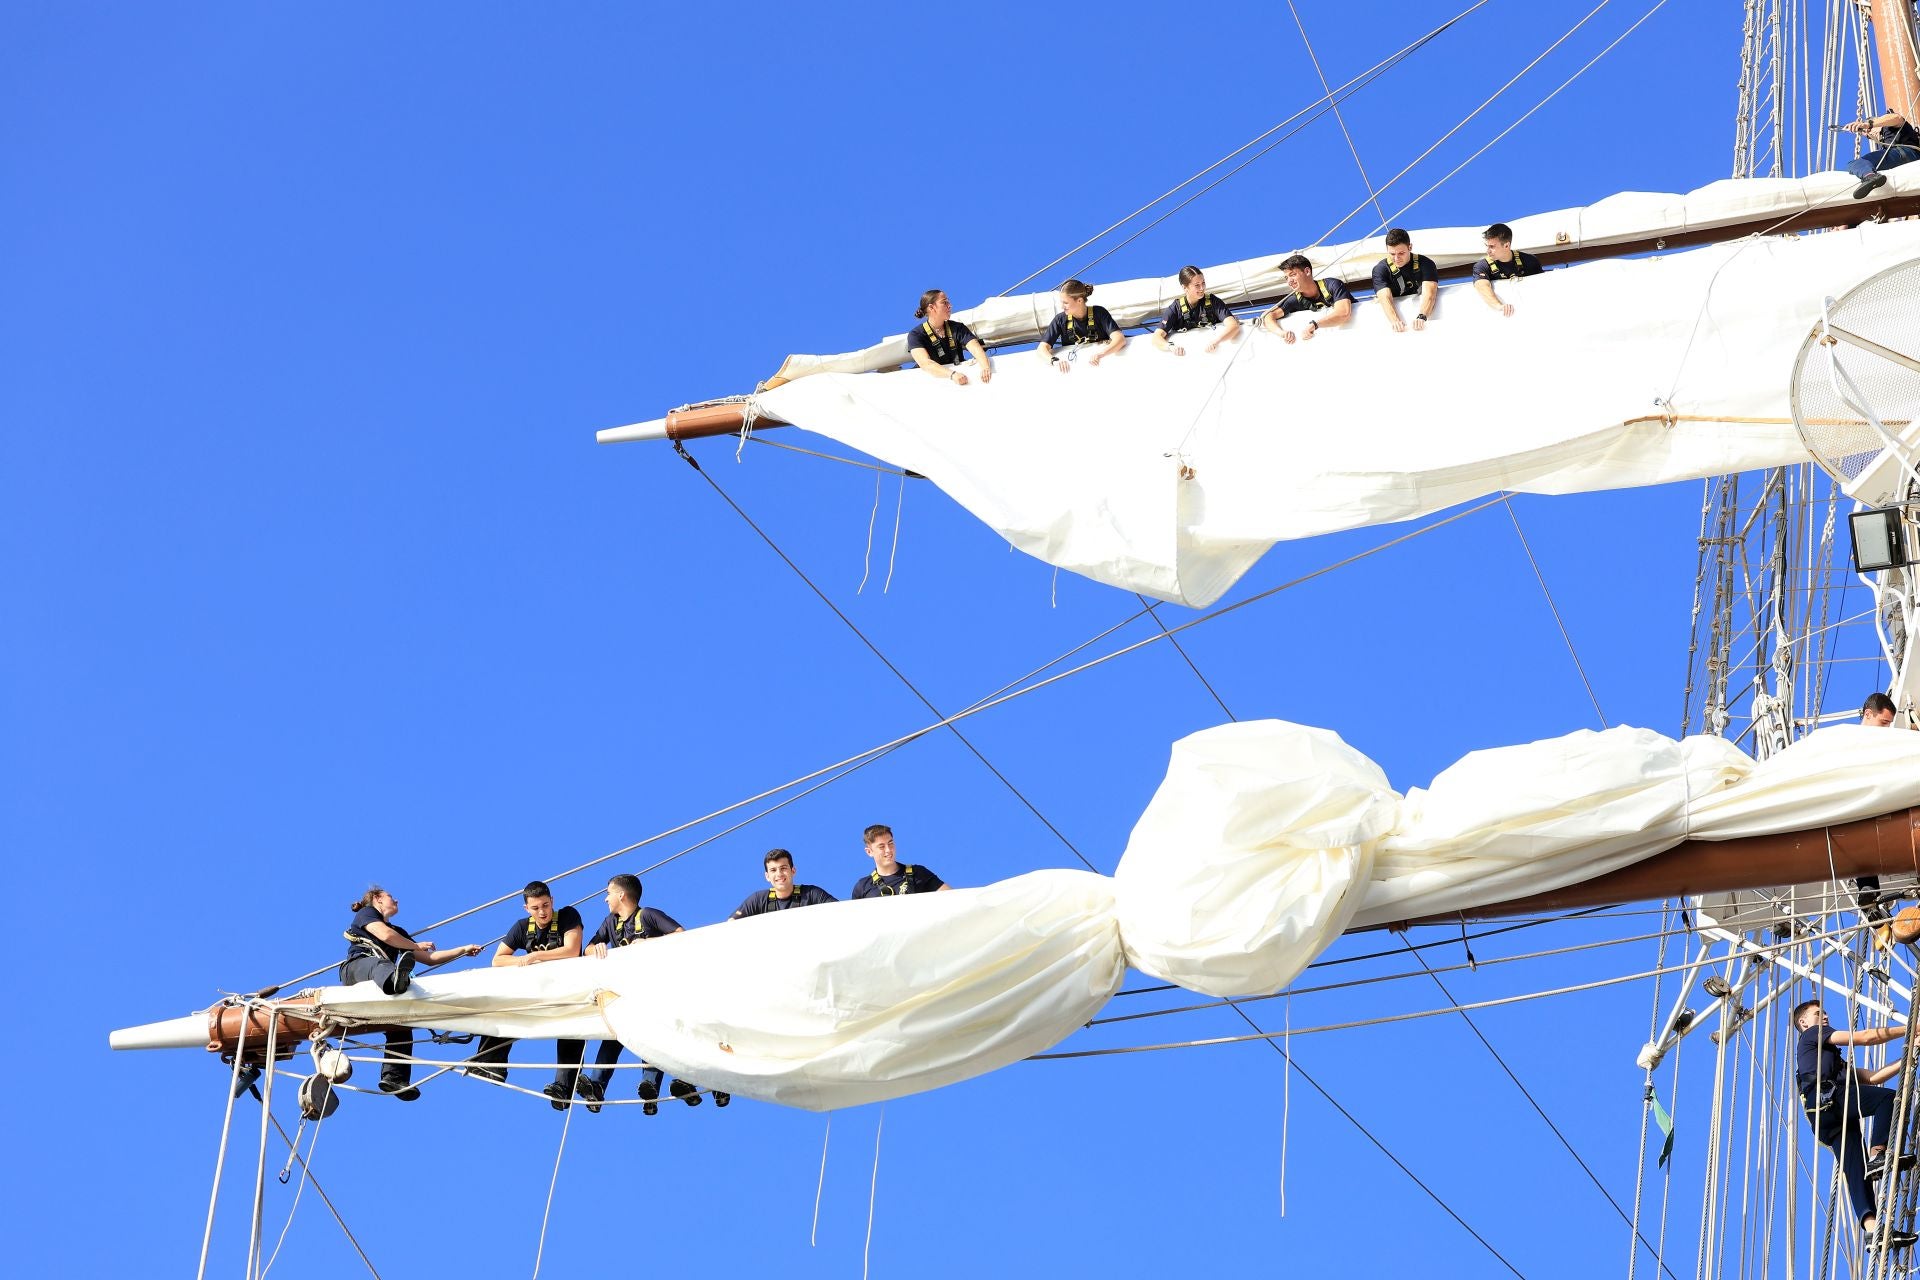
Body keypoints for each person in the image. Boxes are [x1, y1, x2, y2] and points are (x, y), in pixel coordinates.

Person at [582, 874, 725, 1111]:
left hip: (655, 991)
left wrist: (648, 944)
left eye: (608, 893)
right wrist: (594, 948)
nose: (605, 899)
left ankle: (651, 1085)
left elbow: (681, 935)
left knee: (652, 1035)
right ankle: (597, 1086)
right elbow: (587, 948)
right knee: (613, 1034)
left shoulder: (648, 915)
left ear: (621, 895)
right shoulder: (610, 922)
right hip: (625, 993)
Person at [339, 885, 484, 1101]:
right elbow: (385, 935)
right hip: (357, 968)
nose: (395, 899)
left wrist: (462, 950)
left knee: (401, 1024)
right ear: (377, 899)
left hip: (383, 980)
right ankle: (396, 980)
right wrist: (414, 946)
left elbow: (429, 958)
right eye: (390, 896)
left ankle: (394, 1078)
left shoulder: (401, 933)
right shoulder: (367, 914)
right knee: (380, 965)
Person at [1792, 1001, 1917, 1248]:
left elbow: (1873, 1077)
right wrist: (1911, 1028)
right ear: (1804, 1022)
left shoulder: (1832, 1063)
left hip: (1825, 1119)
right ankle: (1879, 1153)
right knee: (1888, 1099)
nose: (1825, 1016)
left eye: (1826, 1013)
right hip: (1830, 1100)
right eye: (1818, 1013)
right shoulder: (1812, 1035)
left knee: (1856, 1170)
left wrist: (1911, 1051)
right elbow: (1866, 1037)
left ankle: (1873, 1230)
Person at [467, 881, 587, 1111]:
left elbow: (572, 950)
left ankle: (563, 1087)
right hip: (538, 992)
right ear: (526, 909)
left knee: (571, 1031)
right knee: (504, 1010)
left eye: (545, 905)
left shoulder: (568, 916)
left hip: (569, 990)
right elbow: (498, 960)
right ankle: (492, 1064)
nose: (542, 912)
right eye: (535, 908)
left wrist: (534, 958)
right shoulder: (522, 927)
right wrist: (521, 960)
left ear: (552, 901)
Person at [1258, 255, 1352, 344]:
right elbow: (1267, 316)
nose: (1289, 281)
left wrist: (1315, 325)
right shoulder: (1294, 299)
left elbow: (1343, 313)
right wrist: (1282, 333)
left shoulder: (1332, 285)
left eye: (1293, 274)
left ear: (1307, 271)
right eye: (1286, 278)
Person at [906, 289, 993, 385]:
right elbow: (925, 363)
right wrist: (952, 375)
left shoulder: (958, 328)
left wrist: (985, 367)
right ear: (931, 307)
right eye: (944, 302)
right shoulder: (916, 334)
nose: (950, 305)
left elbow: (975, 347)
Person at [1036, 279, 1125, 372]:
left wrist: (1101, 354)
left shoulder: (1099, 313)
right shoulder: (1060, 320)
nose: (1062, 307)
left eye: (1065, 303)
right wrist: (1055, 361)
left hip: (1102, 368)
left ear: (1079, 300)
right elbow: (1042, 349)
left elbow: (1120, 339)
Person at [1152, 266, 1241, 357]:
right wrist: (1171, 347)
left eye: (1203, 283)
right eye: (1197, 285)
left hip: (1215, 354)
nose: (1202, 288)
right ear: (1185, 287)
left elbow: (1233, 326)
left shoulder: (1213, 301)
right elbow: (1156, 337)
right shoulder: (1175, 309)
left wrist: (1216, 342)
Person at [731, 848, 838, 918]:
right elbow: (731, 925)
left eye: (783, 868)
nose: (779, 874)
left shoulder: (812, 894)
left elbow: (841, 911)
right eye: (773, 870)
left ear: (793, 871)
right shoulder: (758, 900)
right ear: (767, 876)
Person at [851, 824, 950, 899]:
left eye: (891, 843)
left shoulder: (918, 873)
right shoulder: (862, 887)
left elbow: (952, 898)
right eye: (881, 846)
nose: (888, 850)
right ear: (869, 852)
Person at [1371, 228, 1439, 333]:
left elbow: (1430, 294)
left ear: (1410, 247)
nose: (1396, 258)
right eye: (1392, 254)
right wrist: (1395, 321)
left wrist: (1422, 316)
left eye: (1401, 253)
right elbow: (1385, 298)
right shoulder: (1380, 269)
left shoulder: (1426, 264)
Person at [1471, 223, 1543, 318]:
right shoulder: (1481, 266)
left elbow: (1542, 285)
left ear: (1506, 245)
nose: (1488, 251)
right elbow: (1481, 286)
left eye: (1492, 247)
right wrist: (1499, 306)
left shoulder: (1530, 261)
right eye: (1487, 246)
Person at [1845, 111, 1919, 200]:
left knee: (1856, 163)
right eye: (1867, 135)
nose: (1869, 134)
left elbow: (1897, 118)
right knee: (1856, 166)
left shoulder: (1889, 126)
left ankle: (1870, 177)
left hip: (1906, 153)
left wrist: (1868, 125)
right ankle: (1871, 178)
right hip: (1901, 158)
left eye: (1869, 131)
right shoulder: (1883, 144)